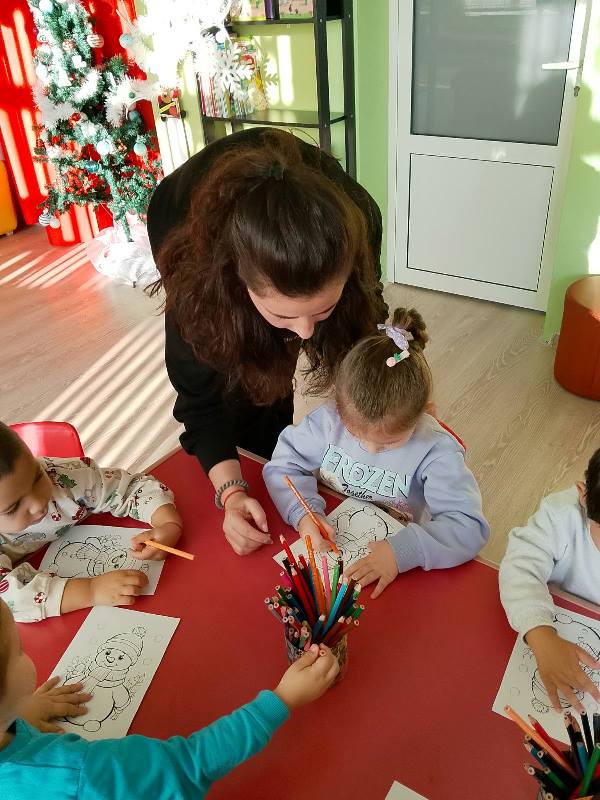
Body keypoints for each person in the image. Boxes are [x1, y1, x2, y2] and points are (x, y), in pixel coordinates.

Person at [147, 127, 388, 558]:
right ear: (239, 286)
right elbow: (202, 406)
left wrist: (392, 401)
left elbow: (369, 331)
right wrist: (232, 492)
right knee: (250, 392)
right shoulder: (198, 281)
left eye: (324, 308)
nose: (304, 333)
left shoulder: (360, 221)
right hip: (182, 213)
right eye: (283, 315)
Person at [0, 597, 339, 798]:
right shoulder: (78, 772)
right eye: (19, 648)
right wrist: (282, 700)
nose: (26, 654)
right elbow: (188, 764)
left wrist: (17, 712)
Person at [263, 308, 489, 598]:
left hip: (403, 560)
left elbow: (468, 527)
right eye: (355, 435)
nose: (371, 449)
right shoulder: (327, 422)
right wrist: (304, 513)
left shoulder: (436, 451)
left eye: (389, 444)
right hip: (339, 528)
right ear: (338, 406)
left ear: (424, 414)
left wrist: (401, 552)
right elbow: (284, 466)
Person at [0, 422, 182, 622]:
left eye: (37, 478)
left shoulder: (59, 475)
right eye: (13, 508)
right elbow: (10, 600)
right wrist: (91, 590)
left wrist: (167, 523)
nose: (37, 505)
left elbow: (129, 488)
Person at [499, 448, 600, 713]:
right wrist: (540, 635)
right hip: (551, 619)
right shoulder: (561, 514)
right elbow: (520, 566)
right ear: (583, 495)